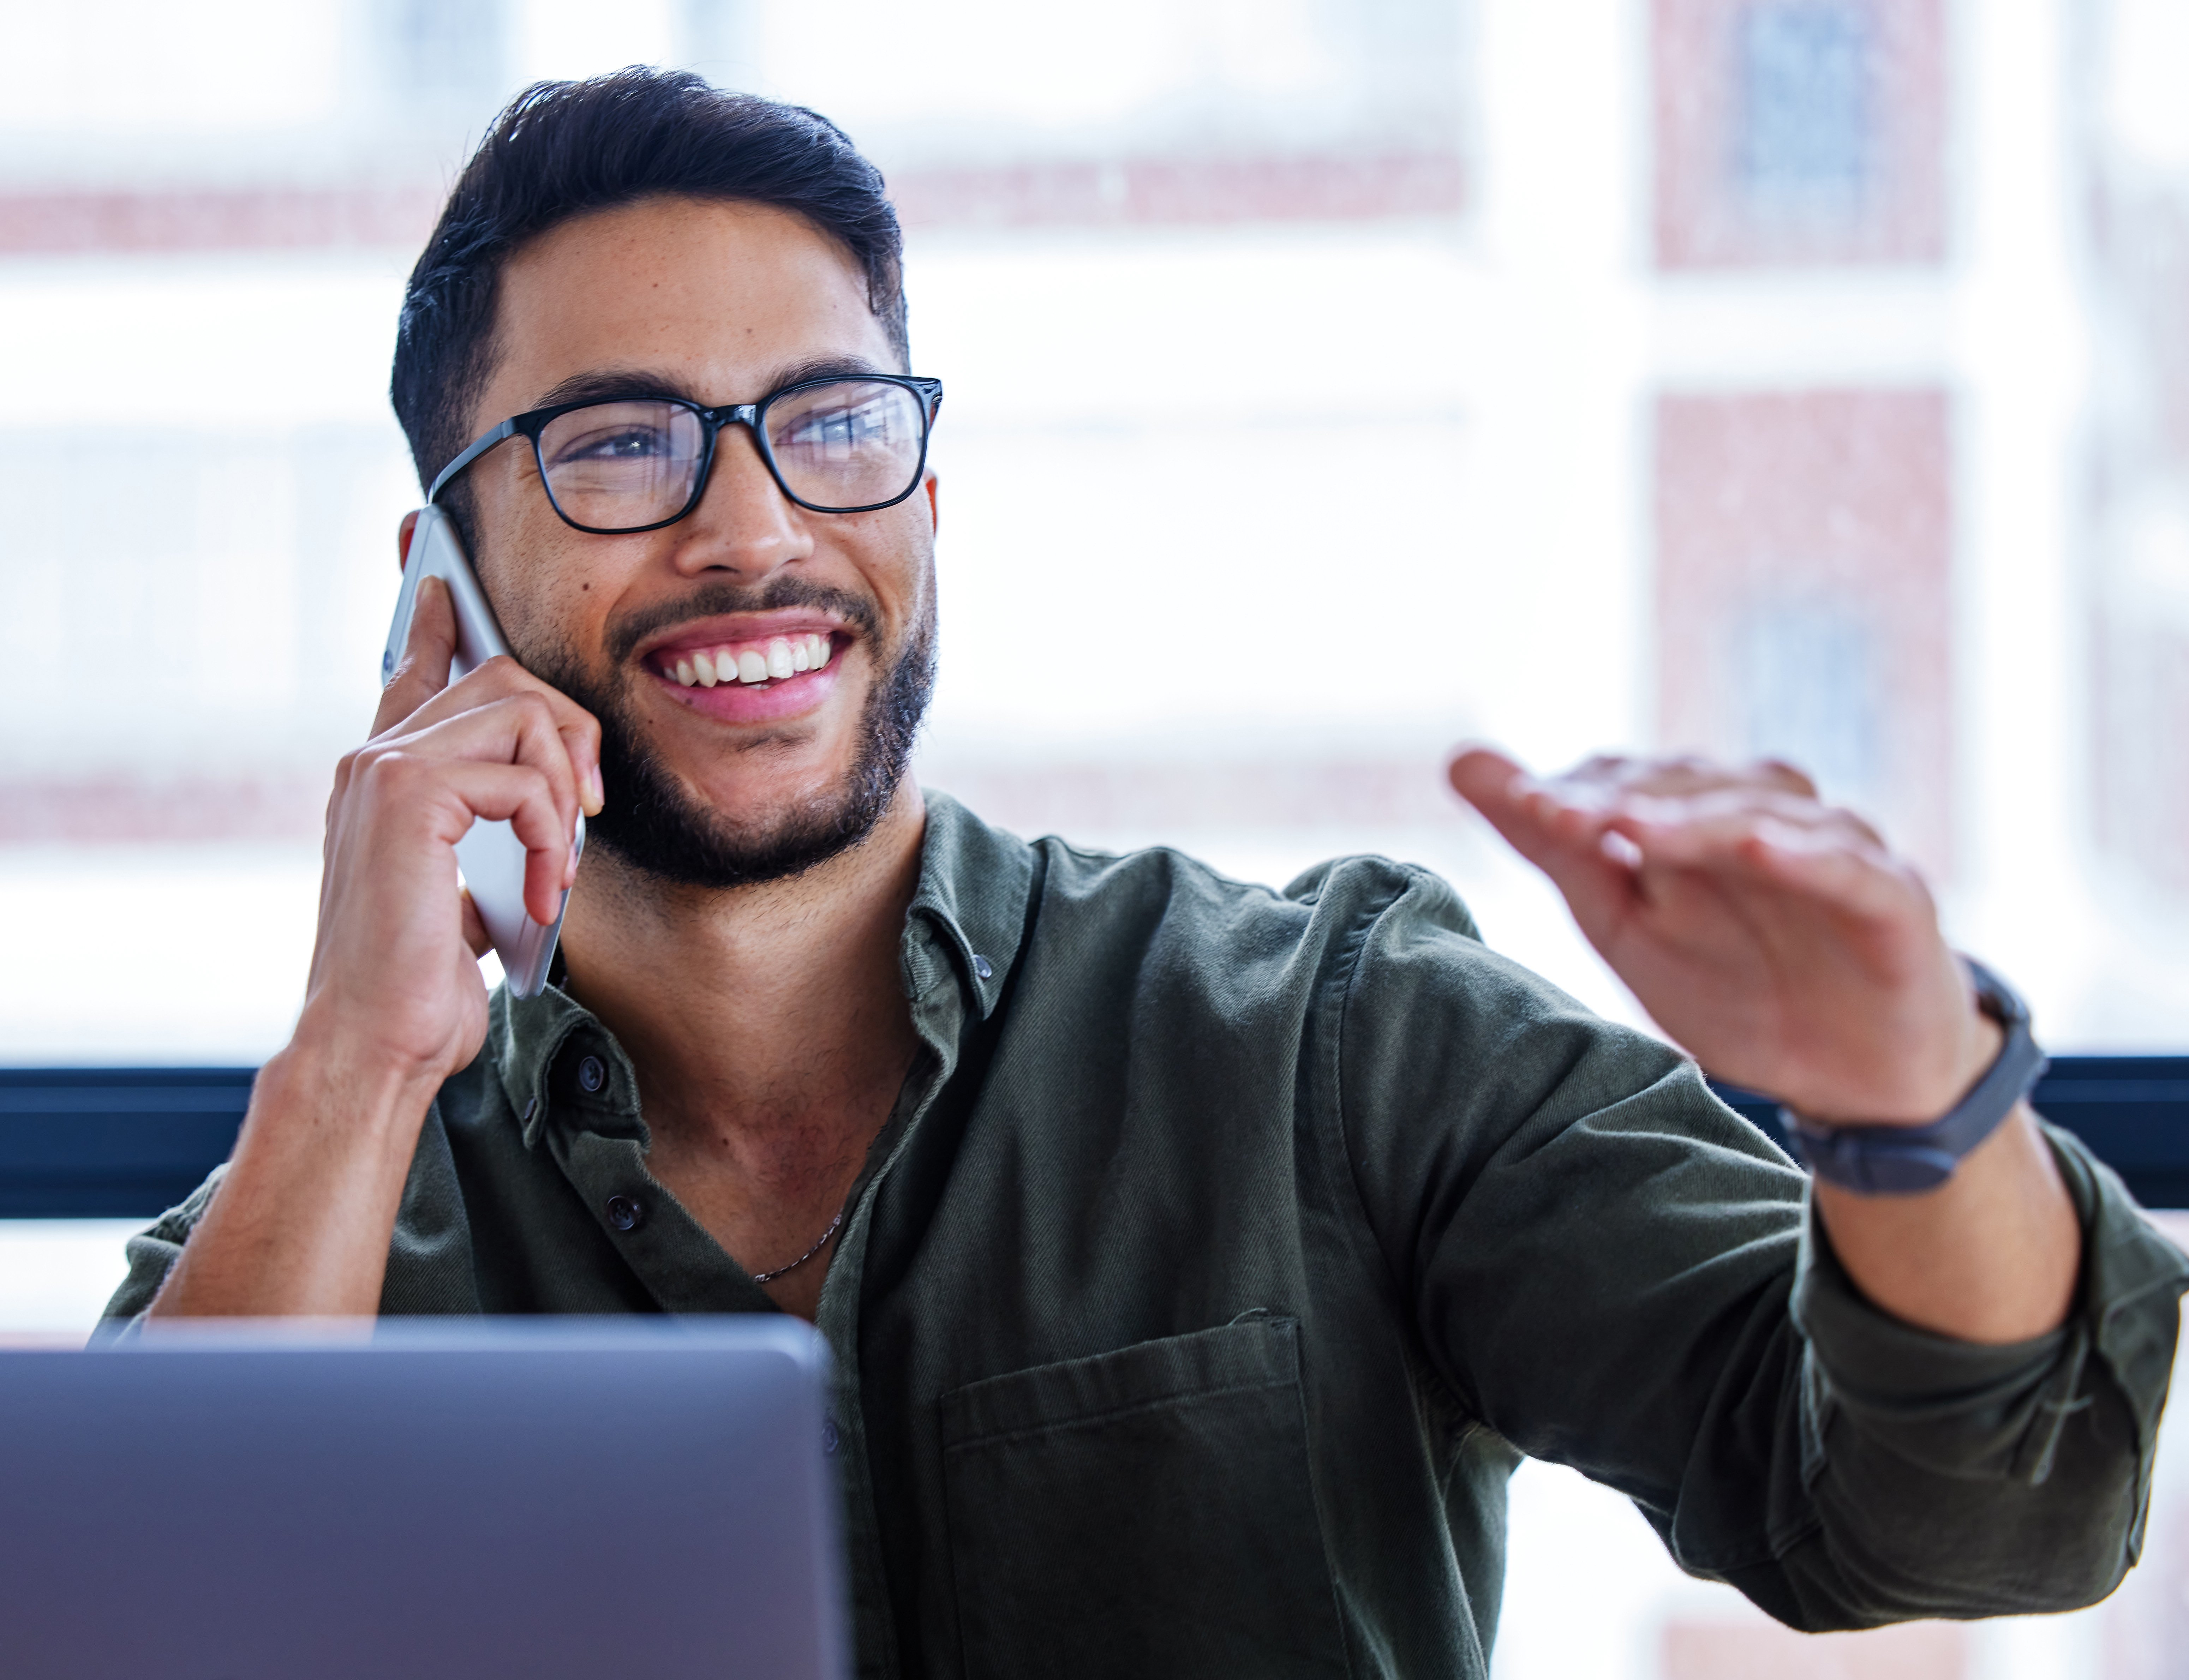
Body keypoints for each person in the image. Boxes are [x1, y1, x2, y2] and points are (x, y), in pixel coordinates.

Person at [104, 69, 2187, 1679]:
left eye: (832, 422)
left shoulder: (1329, 1041)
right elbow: (130, 1631)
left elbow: (1970, 1522)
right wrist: (360, 1057)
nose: (754, 531)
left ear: (926, 490)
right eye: (622, 445)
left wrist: (1922, 1108)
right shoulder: (327, 1215)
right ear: (435, 597)